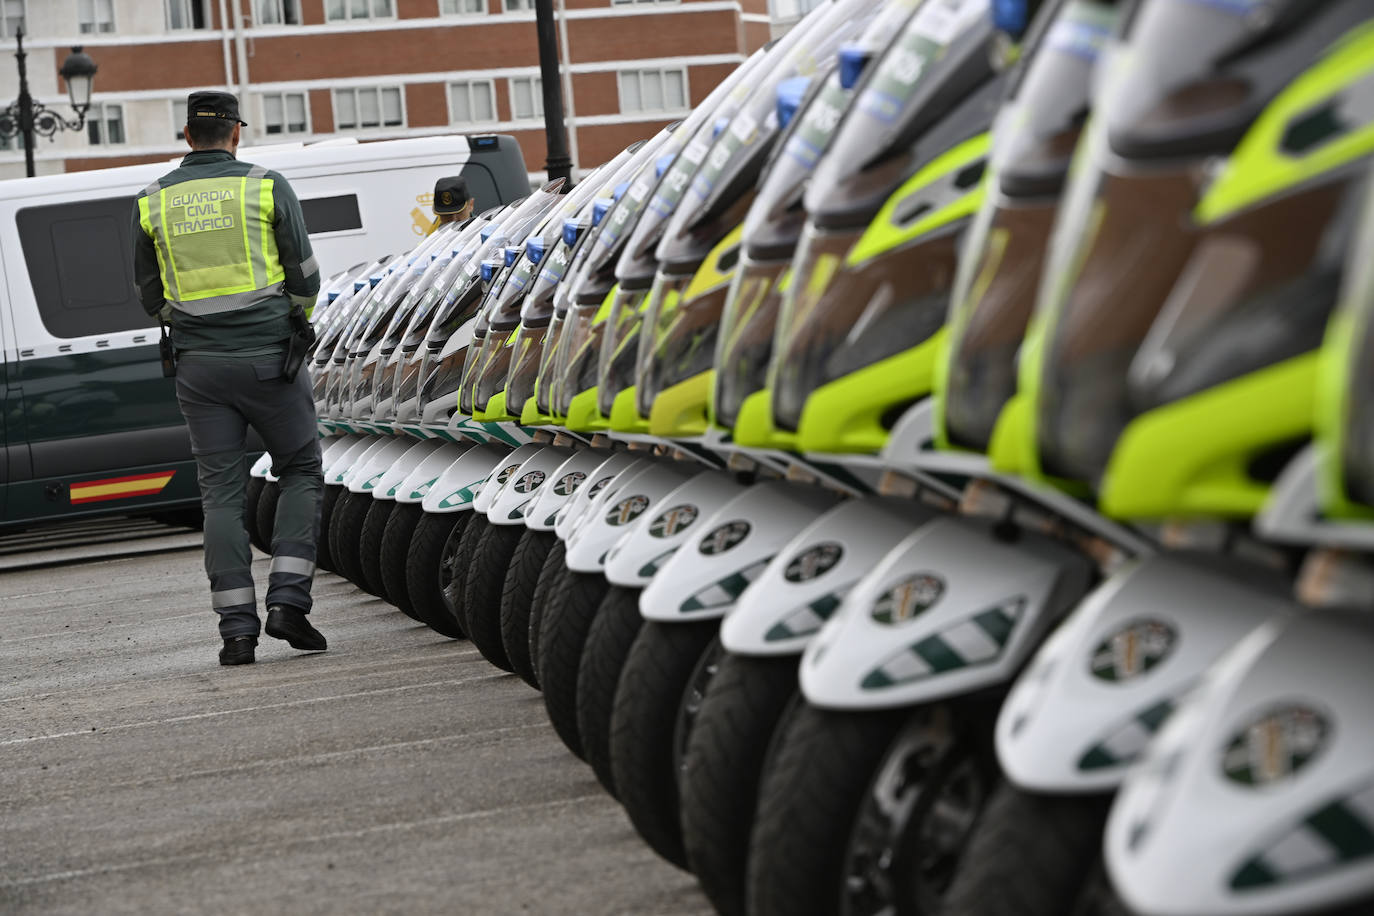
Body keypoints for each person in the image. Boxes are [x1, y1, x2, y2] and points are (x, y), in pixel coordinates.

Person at [131, 90, 326, 666]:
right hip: (271, 360)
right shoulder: (265, 184)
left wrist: (188, 323)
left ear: (187, 137)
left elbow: (149, 295)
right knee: (300, 471)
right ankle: (289, 603)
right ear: (235, 134)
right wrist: (293, 318)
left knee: (219, 493)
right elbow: (306, 274)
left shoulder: (150, 201)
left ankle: (236, 633)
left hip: (199, 367)